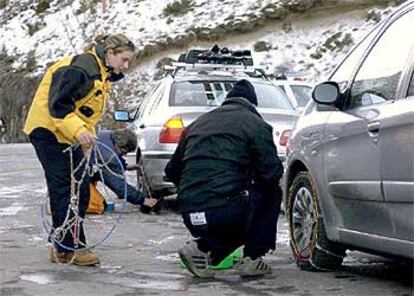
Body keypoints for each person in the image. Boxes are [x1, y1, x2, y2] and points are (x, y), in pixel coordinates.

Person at [24, 34, 156, 266]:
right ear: (110, 54)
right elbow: (58, 107)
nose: (126, 66)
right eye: (124, 60)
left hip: (67, 134)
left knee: (82, 190)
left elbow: (84, 111)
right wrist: (78, 131)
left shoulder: (100, 72)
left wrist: (85, 134)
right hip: (49, 132)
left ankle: (66, 243)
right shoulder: (80, 70)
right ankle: (68, 248)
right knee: (65, 190)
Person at [165, 79, 284, 278]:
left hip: (189, 212)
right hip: (225, 211)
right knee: (271, 193)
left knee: (237, 207)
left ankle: (203, 251)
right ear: (252, 104)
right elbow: (271, 173)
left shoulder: (197, 124)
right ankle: (253, 258)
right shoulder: (256, 124)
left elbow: (172, 171)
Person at [88, 128, 157, 212]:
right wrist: (143, 200)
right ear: (118, 145)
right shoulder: (110, 157)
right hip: (72, 179)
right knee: (99, 206)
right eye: (124, 152)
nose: (125, 155)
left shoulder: (106, 135)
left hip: (81, 171)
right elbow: (120, 186)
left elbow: (106, 162)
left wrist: (125, 166)